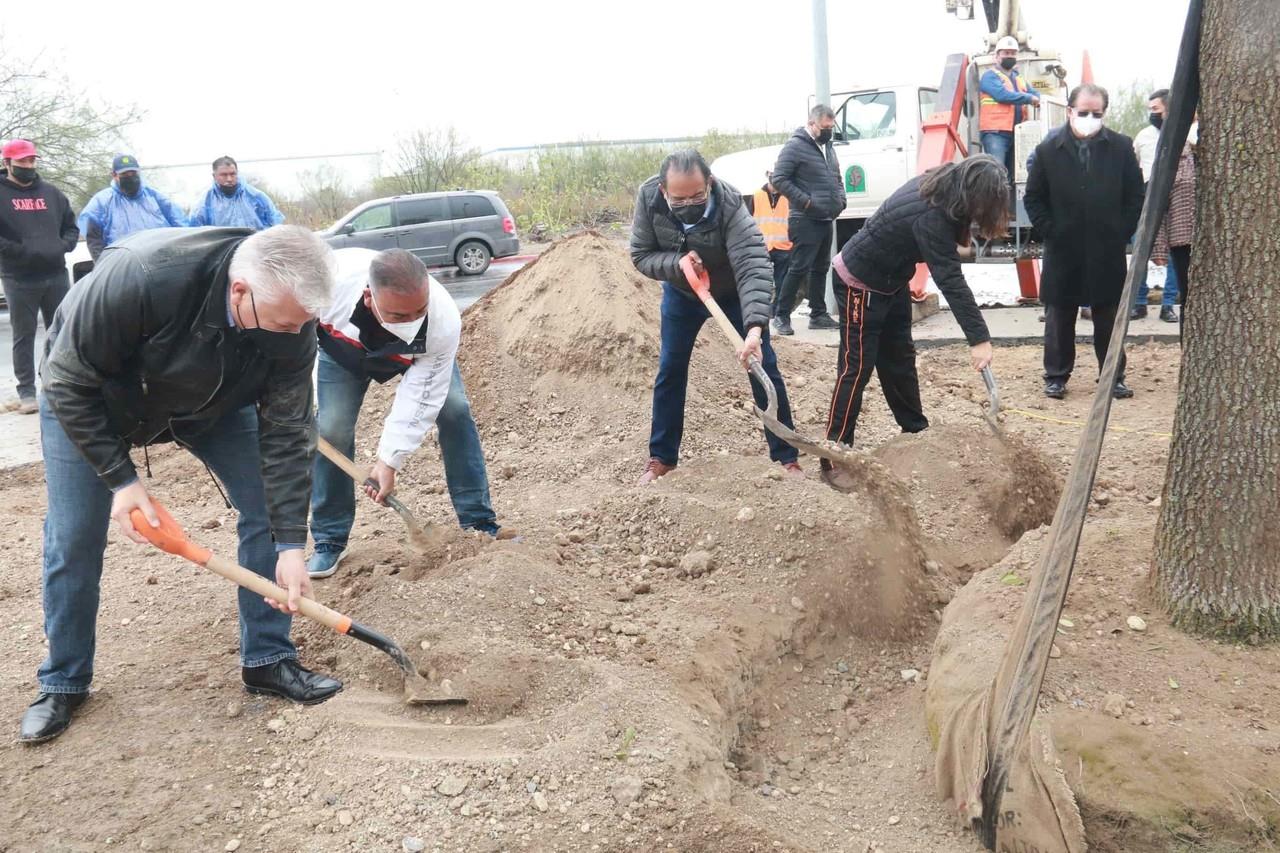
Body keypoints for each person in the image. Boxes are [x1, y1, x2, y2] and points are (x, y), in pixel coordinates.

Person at [21, 225, 343, 744]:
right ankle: (64, 681)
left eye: (299, 324)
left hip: (210, 403)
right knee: (74, 537)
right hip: (89, 399)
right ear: (239, 291)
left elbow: (286, 435)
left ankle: (268, 659)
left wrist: (290, 543)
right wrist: (121, 481)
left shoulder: (292, 321)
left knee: (266, 506)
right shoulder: (142, 276)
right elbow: (67, 381)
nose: (291, 334)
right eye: (282, 323)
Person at [307, 247, 504, 579]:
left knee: (454, 409)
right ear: (369, 297)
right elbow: (290, 340)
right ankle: (329, 538)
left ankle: (477, 520)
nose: (411, 324)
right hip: (342, 351)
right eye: (399, 317)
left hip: (418, 357)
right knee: (332, 429)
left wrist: (388, 461)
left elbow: (421, 397)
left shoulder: (442, 319)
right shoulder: (326, 286)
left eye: (418, 311)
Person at [822, 157, 1000, 484]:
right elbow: (951, 281)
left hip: (892, 281)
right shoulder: (931, 215)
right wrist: (979, 339)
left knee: (900, 361)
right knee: (857, 367)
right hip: (859, 282)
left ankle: (916, 432)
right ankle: (834, 456)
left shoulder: (944, 186)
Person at [630, 149, 802, 484]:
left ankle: (786, 458)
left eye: (697, 195)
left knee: (763, 366)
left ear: (709, 182)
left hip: (734, 293)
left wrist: (754, 328)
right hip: (683, 293)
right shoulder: (649, 198)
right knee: (670, 369)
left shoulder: (729, 204)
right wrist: (676, 264)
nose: (689, 203)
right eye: (679, 199)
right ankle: (661, 458)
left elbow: (753, 265)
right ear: (664, 191)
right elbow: (640, 254)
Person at [1024, 83, 1144, 401]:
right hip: (1063, 249)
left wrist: (1121, 230)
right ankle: (1056, 376)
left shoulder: (1120, 147)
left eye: (1096, 113)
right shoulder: (1048, 151)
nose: (1089, 118)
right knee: (1059, 316)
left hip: (1107, 249)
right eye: (1083, 112)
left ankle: (1113, 376)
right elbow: (1033, 198)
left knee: (1108, 316)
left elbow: (1135, 195)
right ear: (1069, 111)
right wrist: (1051, 230)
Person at [0, 139, 78, 415]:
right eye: (22, 162)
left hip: (56, 274)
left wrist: (62, 246)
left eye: (32, 160)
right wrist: (20, 252)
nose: (28, 166)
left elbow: (71, 227)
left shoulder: (52, 193)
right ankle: (26, 392)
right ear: (7, 163)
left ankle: (61, 384)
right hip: (19, 278)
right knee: (24, 334)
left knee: (63, 330)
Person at [769, 104, 846, 335]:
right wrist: (806, 202)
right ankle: (781, 315)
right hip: (805, 219)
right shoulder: (795, 147)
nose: (829, 131)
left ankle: (818, 314)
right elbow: (779, 179)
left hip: (825, 217)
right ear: (812, 124)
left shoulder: (827, 148)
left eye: (831, 127)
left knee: (821, 267)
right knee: (799, 267)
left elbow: (837, 177)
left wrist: (841, 200)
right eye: (825, 127)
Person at [78, 154, 187, 260]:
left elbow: (180, 226)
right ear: (114, 175)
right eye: (125, 174)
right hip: (123, 267)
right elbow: (94, 239)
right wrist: (102, 265)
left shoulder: (155, 197)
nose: (130, 177)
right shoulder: (102, 202)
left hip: (160, 263)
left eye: (133, 173)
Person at [1131, 89, 1179, 322]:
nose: (1152, 114)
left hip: (1178, 197)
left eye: (1156, 109)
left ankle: (1168, 304)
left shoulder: (1185, 134)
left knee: (1176, 251)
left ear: (1168, 109)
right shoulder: (1143, 136)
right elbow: (1135, 166)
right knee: (1141, 249)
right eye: (1150, 110)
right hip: (1149, 196)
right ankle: (1139, 303)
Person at [979, 36, 1041, 184]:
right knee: (997, 175)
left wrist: (1042, 100)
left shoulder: (1018, 78)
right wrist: (1030, 99)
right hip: (996, 133)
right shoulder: (989, 76)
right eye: (1006, 53)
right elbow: (1002, 95)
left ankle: (1010, 206)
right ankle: (995, 207)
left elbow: (1034, 93)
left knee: (1015, 177)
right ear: (997, 56)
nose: (1010, 56)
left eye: (1013, 53)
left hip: (1017, 133)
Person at [1152, 139, 1195, 333]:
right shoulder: (1171, 157)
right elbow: (1158, 208)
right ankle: (1187, 349)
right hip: (1182, 240)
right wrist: (1159, 247)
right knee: (1188, 296)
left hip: (1218, 241)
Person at [743, 170, 793, 321]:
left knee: (781, 282)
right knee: (761, 282)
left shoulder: (788, 197)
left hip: (783, 246)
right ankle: (761, 311)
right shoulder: (757, 195)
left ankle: (777, 310)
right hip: (761, 246)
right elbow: (748, 220)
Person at [189, 155, 286, 231]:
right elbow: (195, 232)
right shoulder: (204, 203)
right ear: (214, 176)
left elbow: (274, 223)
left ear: (237, 173)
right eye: (224, 175)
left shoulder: (256, 197)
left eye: (232, 174)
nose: (229, 179)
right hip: (220, 253)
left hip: (254, 250)